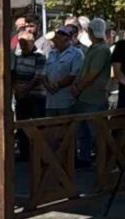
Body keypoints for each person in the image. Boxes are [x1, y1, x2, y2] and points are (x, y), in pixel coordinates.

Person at [71, 18, 111, 167]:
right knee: (83, 132)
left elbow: (92, 73)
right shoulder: (92, 48)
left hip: (94, 96)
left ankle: (104, 160)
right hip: (84, 96)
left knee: (96, 132)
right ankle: (85, 158)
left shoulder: (102, 50)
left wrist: (78, 87)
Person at [11, 28, 47, 159]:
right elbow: (12, 74)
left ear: (32, 43)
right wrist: (16, 88)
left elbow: (38, 76)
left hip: (36, 96)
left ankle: (38, 152)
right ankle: (24, 151)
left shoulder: (40, 56)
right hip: (21, 97)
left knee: (37, 125)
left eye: (25, 43)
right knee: (22, 125)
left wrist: (25, 89)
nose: (22, 46)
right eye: (20, 43)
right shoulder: (17, 56)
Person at [44, 26, 84, 117]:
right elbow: (44, 73)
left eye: (57, 38)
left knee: (67, 129)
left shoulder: (76, 54)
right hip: (50, 102)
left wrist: (57, 85)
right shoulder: (52, 53)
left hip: (66, 101)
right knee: (51, 129)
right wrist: (47, 85)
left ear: (66, 39)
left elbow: (74, 75)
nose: (54, 41)